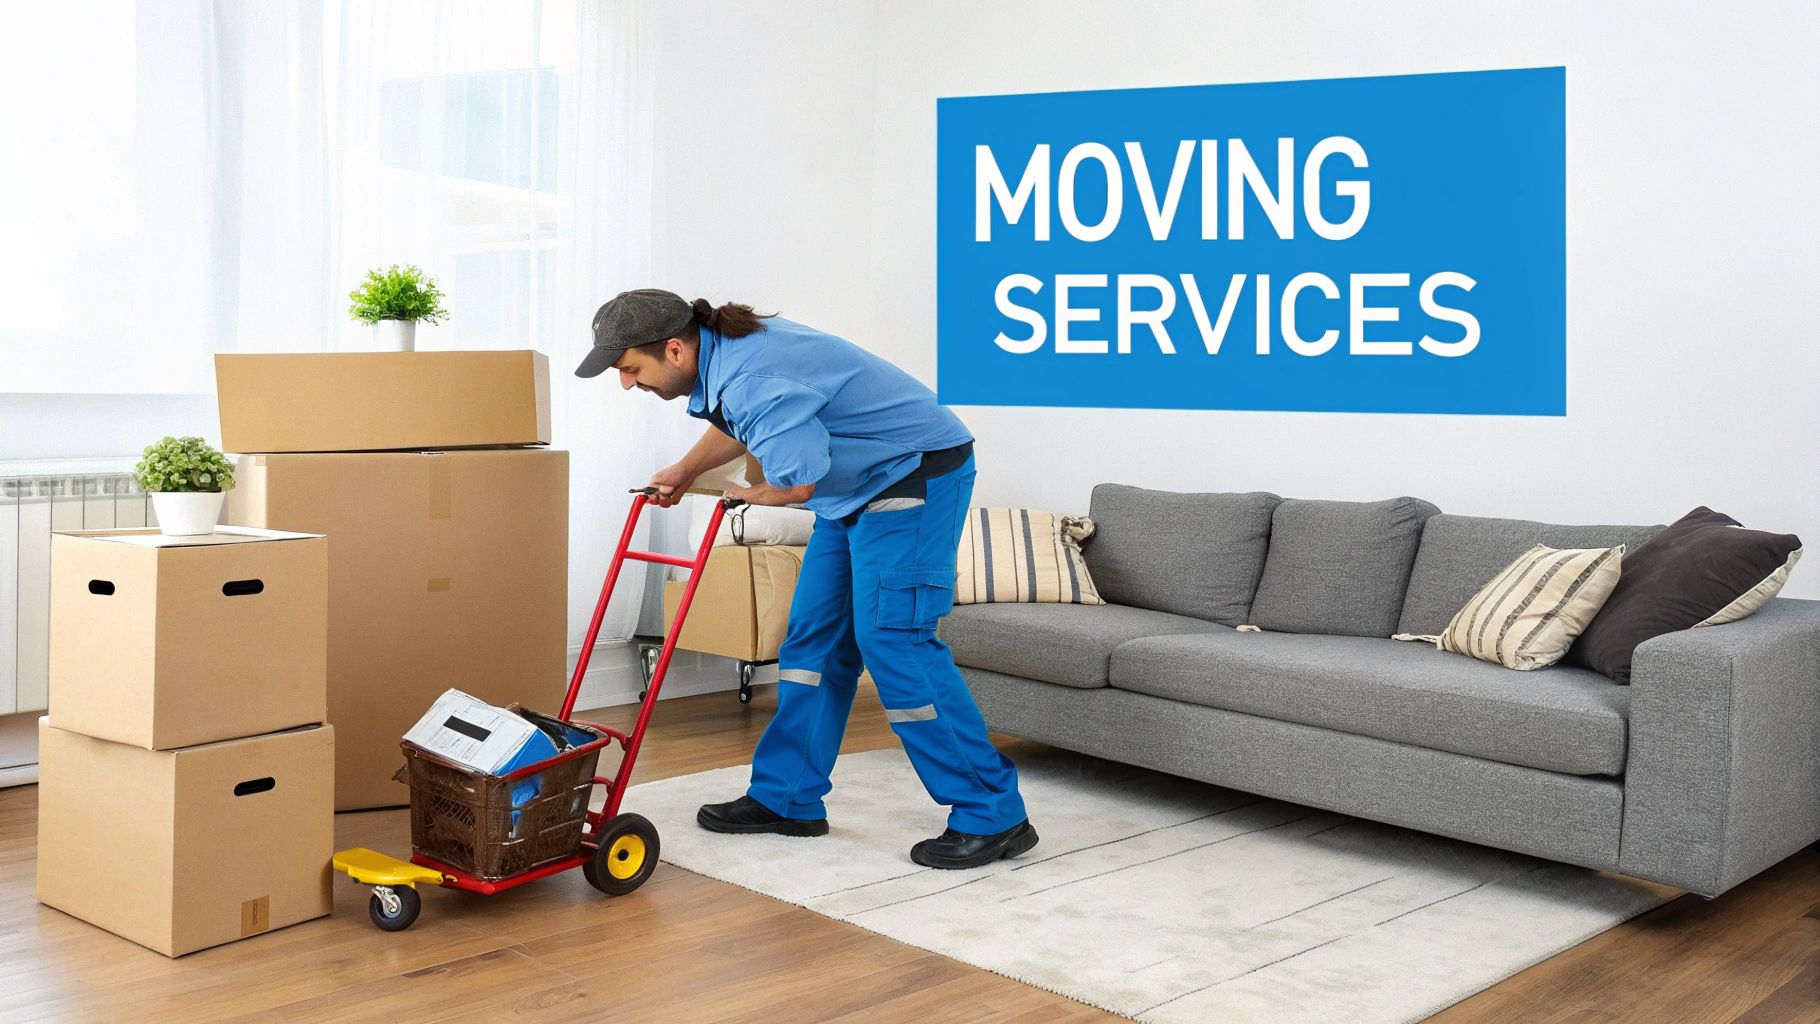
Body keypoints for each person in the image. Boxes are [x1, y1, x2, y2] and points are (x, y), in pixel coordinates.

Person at [575, 288, 1036, 869]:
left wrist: (750, 494)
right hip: (857, 488)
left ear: (673, 349)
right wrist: (685, 470)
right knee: (811, 643)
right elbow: (747, 421)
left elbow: (796, 485)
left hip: (911, 476)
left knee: (894, 639)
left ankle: (992, 813)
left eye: (629, 369)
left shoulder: (751, 373)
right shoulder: (725, 360)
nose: (626, 383)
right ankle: (786, 797)